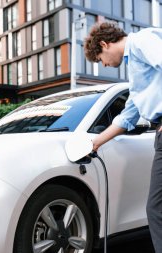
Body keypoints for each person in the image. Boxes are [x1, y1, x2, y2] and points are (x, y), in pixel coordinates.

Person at [84, 21, 162, 252]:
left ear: (104, 44)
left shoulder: (140, 41)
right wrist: (95, 143)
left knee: (157, 209)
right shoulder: (136, 72)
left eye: (100, 60)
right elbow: (128, 116)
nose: (105, 65)